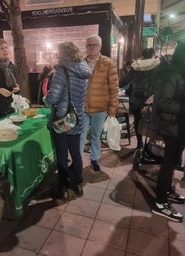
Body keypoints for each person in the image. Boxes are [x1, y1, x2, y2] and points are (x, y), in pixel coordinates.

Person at [152, 42, 185, 222]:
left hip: (180, 126)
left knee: (173, 162)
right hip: (172, 126)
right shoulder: (172, 75)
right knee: (169, 163)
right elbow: (162, 103)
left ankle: (166, 192)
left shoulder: (184, 75)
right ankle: (160, 202)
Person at [44, 41, 91, 199]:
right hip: (77, 117)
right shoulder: (83, 69)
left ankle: (63, 187)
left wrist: (46, 98)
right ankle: (78, 183)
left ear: (63, 54)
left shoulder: (62, 70)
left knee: (62, 154)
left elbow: (54, 97)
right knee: (76, 152)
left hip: (63, 119)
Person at [80, 34, 119, 172]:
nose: (91, 48)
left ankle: (94, 159)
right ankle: (78, 161)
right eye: (88, 45)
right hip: (82, 108)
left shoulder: (108, 63)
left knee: (96, 135)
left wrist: (112, 108)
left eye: (94, 45)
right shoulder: (80, 63)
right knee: (80, 135)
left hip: (100, 107)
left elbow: (114, 88)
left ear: (100, 47)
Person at [129, 48, 160, 149]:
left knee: (137, 120)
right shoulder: (157, 65)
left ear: (142, 55)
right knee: (152, 120)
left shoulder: (135, 66)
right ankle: (151, 143)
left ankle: (139, 142)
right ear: (152, 55)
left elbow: (126, 80)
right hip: (150, 99)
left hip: (136, 98)